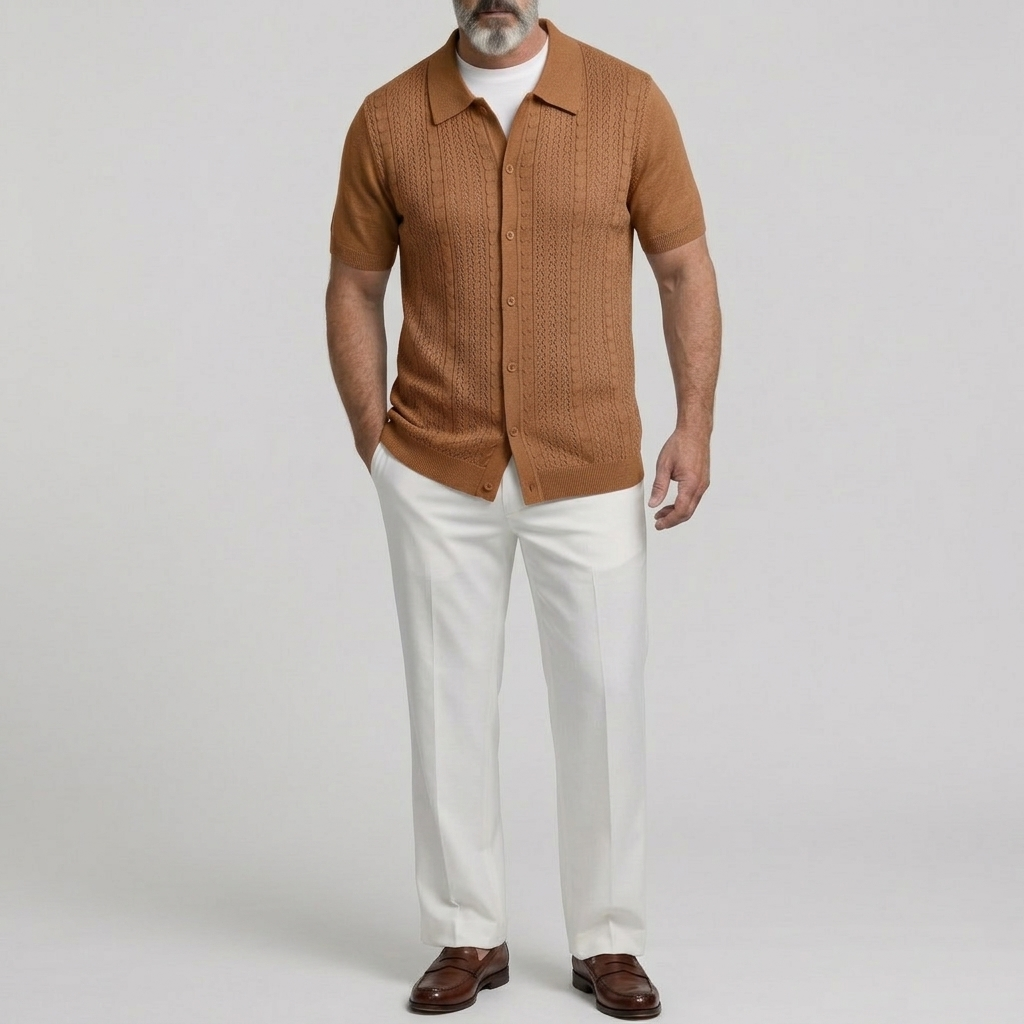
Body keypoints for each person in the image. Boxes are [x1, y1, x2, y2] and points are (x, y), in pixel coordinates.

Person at [325, 0, 721, 1016]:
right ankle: (468, 931)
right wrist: (377, 442)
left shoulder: (628, 104)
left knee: (603, 701)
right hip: (436, 467)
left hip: (589, 464)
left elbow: (682, 268)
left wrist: (694, 424)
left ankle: (608, 940)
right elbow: (354, 284)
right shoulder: (387, 119)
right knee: (446, 702)